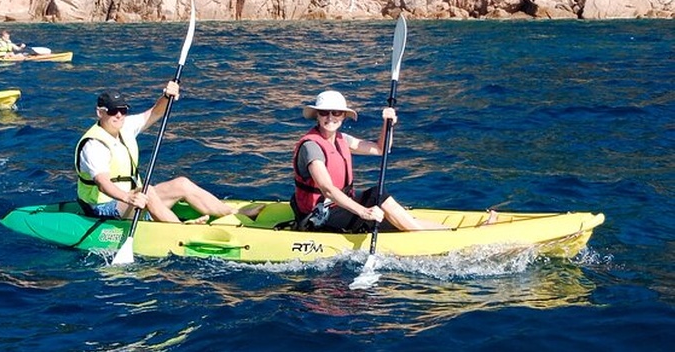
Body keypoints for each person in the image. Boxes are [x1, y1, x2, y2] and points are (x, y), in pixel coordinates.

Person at [75, 82, 263, 223]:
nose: (119, 115)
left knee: (181, 183)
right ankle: (178, 229)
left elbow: (156, 113)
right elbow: (102, 183)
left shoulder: (126, 126)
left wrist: (167, 96)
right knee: (146, 190)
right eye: (113, 110)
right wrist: (128, 197)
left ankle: (232, 213)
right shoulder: (94, 144)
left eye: (123, 110)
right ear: (100, 113)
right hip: (103, 207)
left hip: (135, 198)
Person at [290, 90, 447, 233]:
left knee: (381, 199)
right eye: (324, 113)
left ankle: (443, 231)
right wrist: (364, 211)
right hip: (319, 215)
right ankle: (423, 235)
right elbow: (328, 189)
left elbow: (381, 149)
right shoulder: (311, 147)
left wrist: (388, 123)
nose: (330, 118)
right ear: (317, 115)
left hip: (339, 205)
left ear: (343, 116)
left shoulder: (342, 139)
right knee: (378, 201)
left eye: (336, 113)